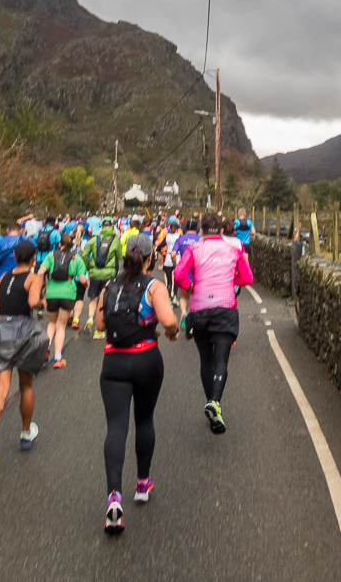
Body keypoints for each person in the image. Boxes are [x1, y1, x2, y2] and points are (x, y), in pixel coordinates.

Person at [97, 234, 180, 535]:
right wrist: (170, 331)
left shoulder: (109, 286)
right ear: (150, 258)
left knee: (116, 427)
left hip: (113, 363)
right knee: (144, 420)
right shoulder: (154, 286)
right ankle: (142, 483)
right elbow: (169, 320)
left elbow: (99, 324)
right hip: (146, 360)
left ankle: (113, 498)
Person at [173, 213, 254, 434]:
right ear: (221, 231)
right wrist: (231, 280)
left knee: (205, 360)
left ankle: (212, 403)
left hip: (199, 308)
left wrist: (190, 285)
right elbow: (248, 279)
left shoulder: (194, 250)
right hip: (225, 307)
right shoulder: (234, 250)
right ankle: (215, 402)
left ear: (201, 232)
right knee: (221, 360)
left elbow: (179, 275)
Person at [0, 240, 49, 466]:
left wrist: (7, 305)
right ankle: (26, 433)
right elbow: (33, 301)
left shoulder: (3, 277)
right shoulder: (34, 277)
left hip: (2, 330)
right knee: (26, 385)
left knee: (1, 390)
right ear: (34, 258)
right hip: (23, 331)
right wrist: (45, 304)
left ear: (15, 257)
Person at [39, 236, 87, 368]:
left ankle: (47, 347)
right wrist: (86, 283)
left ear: (59, 244)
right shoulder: (76, 258)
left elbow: (40, 271)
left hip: (51, 292)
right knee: (61, 326)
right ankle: (58, 358)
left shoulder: (51, 255)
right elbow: (82, 279)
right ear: (72, 245)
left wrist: (43, 286)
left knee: (52, 323)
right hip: (68, 293)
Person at [83, 216, 119, 337]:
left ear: (101, 226)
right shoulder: (115, 240)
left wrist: (89, 267)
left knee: (93, 298)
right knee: (105, 300)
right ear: (112, 226)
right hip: (108, 274)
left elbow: (84, 254)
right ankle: (99, 329)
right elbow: (119, 255)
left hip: (94, 273)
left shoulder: (94, 239)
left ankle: (89, 319)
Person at [161, 217, 182, 303]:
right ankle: (175, 297)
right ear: (177, 229)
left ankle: (169, 298)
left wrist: (160, 250)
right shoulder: (179, 236)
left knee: (169, 281)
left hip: (168, 259)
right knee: (176, 280)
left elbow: (160, 245)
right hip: (177, 258)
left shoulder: (167, 236)